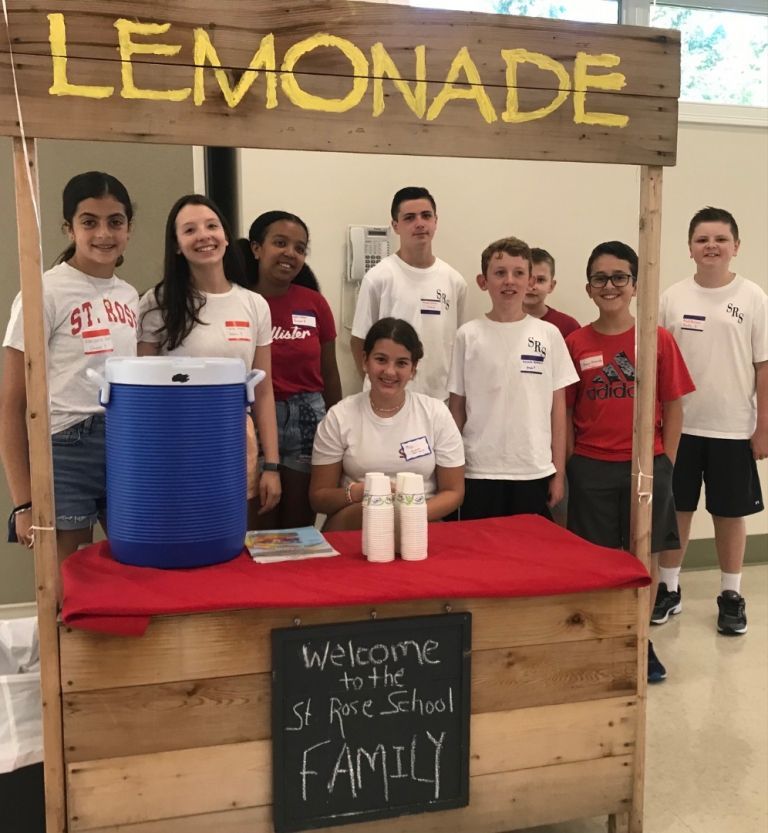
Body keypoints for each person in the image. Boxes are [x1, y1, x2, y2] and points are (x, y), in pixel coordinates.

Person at [565, 241, 695, 682]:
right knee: (598, 560)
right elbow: (564, 411)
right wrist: (567, 466)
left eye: (620, 277)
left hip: (647, 465)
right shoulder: (575, 343)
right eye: (600, 278)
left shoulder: (656, 340)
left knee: (644, 559)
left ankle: (640, 640)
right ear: (588, 287)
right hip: (591, 465)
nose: (610, 286)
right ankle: (602, 641)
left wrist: (665, 463)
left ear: (635, 286)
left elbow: (674, 405)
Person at [1, 171, 139, 563]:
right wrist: (23, 502)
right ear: (68, 228)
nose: (103, 233)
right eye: (89, 222)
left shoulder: (129, 296)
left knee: (135, 563)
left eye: (115, 221)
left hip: (124, 440)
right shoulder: (43, 291)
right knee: (65, 577)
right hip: (64, 446)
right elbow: (11, 403)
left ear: (129, 227)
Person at [655, 208, 767, 636]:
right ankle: (669, 587)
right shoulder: (672, 297)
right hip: (679, 428)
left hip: (733, 428)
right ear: (690, 248)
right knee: (677, 509)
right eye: (702, 239)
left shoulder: (753, 297)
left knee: (729, 513)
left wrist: (763, 427)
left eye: (720, 239)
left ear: (736, 247)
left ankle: (731, 594)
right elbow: (661, 365)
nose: (711, 246)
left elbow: (764, 367)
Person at [137, 194, 280, 524]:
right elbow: (142, 390)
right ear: (176, 245)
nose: (203, 235)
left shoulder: (254, 304)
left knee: (232, 539)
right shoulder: (157, 303)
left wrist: (271, 464)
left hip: (235, 437)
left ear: (226, 237)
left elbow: (264, 389)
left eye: (211, 226)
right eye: (189, 230)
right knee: (183, 535)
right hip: (175, 441)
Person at [448, 237, 578, 521]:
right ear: (483, 281)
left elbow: (558, 410)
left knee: (529, 556)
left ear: (530, 280)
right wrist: (451, 470)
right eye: (500, 273)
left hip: (533, 469)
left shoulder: (549, 335)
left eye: (519, 273)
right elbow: (457, 408)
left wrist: (558, 472)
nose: (509, 281)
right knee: (482, 555)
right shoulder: (468, 335)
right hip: (479, 469)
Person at [238, 210, 342, 529]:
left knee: (298, 527)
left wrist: (338, 427)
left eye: (299, 248)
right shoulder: (239, 302)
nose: (290, 254)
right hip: (253, 419)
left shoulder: (314, 304)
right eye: (280, 243)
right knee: (255, 525)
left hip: (307, 418)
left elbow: (330, 372)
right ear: (257, 248)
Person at [310, 318, 464, 531]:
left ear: (413, 368)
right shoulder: (339, 417)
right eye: (381, 360)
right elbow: (319, 498)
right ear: (365, 361)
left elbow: (454, 492)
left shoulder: (436, 414)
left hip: (419, 524)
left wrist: (409, 514)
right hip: (354, 523)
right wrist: (357, 493)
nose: (390, 372)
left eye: (401, 363)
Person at [350, 186, 467, 401]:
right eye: (410, 218)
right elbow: (359, 340)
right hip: (388, 398)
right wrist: (378, 386)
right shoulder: (378, 278)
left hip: (438, 400)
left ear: (435, 221)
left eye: (426, 216)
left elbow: (455, 343)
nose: (419, 223)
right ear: (395, 226)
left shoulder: (455, 281)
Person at [524, 247, 581, 338]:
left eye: (540, 280)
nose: (532, 286)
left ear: (551, 286)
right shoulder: (502, 323)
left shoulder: (569, 327)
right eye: (527, 278)